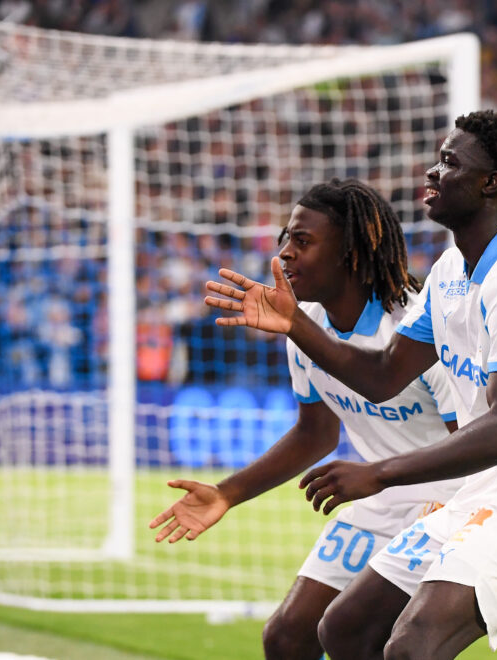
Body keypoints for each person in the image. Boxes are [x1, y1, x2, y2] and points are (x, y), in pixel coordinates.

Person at [205, 110, 497, 659]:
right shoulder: (451, 272)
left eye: (450, 162)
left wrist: (379, 473)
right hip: (485, 489)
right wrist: (296, 324)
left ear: (490, 183)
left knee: (411, 647)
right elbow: (383, 375)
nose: (433, 172)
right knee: (343, 629)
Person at [150, 178, 462, 660]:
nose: (285, 253)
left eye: (303, 240)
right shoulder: (305, 323)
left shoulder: (421, 327)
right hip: (380, 497)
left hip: (451, 502)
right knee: (286, 638)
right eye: (285, 239)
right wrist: (227, 494)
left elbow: (473, 445)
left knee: (352, 632)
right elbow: (315, 434)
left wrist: (385, 477)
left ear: (350, 252)